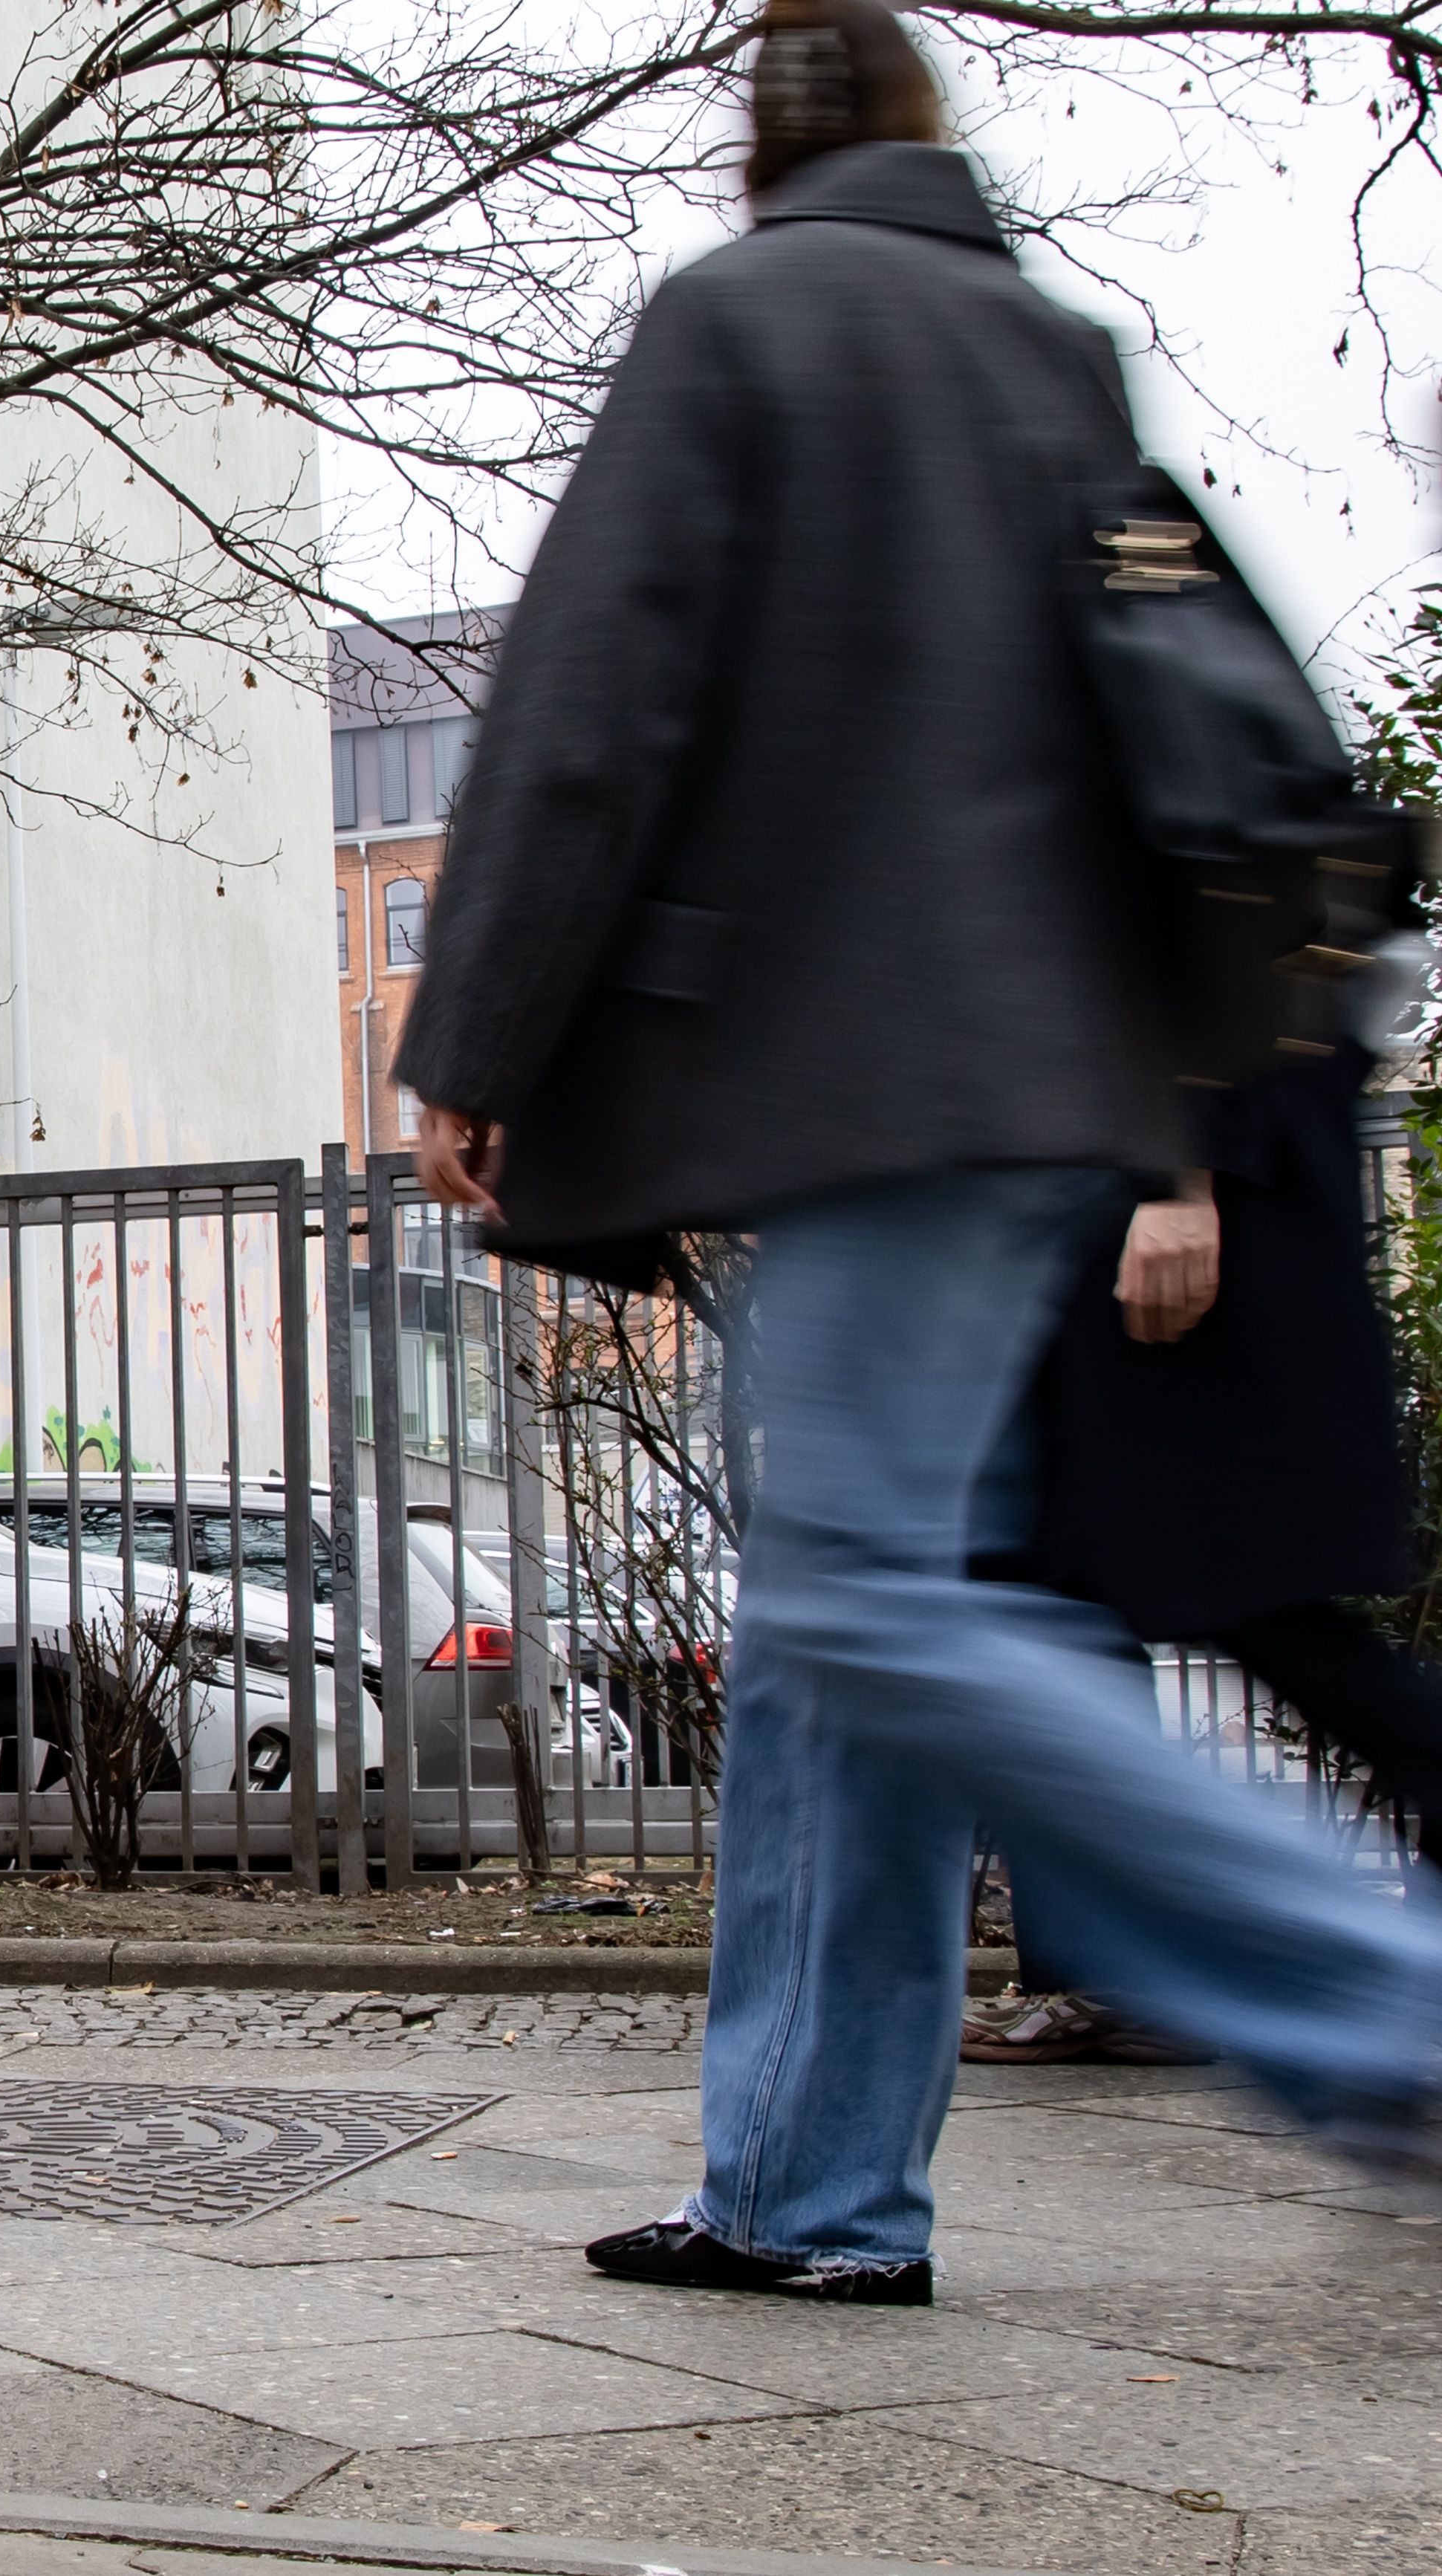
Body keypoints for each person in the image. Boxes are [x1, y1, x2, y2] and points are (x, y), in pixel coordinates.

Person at [394, 0, 1442, 2303]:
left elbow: (590, 707)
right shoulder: (1040, 352)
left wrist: (471, 1041)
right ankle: (807, 2188)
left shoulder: (743, 324)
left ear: (759, 151)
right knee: (834, 1648)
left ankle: (1384, 2005)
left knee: (871, 1608)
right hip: (1044, 1098)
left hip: (860, 1099)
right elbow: (1157, 738)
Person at [965, 1030, 1442, 2063]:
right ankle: (1102, 1971)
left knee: (1218, 1590)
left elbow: (1216, 909)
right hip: (1121, 1187)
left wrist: (1176, 1175)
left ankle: (1127, 1968)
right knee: (1063, 1599)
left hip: (1184, 1194)